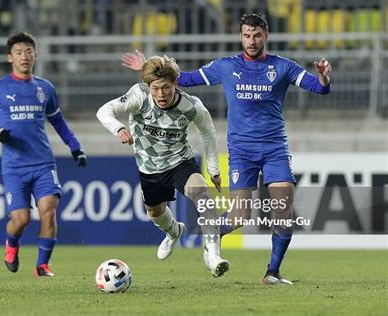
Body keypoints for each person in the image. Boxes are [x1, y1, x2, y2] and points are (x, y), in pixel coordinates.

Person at [122, 12, 332, 285]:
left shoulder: (283, 67)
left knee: (283, 208)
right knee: (239, 215)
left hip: (274, 148)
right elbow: (182, 80)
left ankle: (272, 272)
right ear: (241, 36)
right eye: (247, 35)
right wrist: (148, 67)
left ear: (266, 36)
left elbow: (319, 88)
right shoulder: (226, 66)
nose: (252, 41)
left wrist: (325, 78)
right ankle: (211, 239)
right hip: (242, 152)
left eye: (257, 35)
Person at [97, 55, 229, 278]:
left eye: (166, 88)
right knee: (155, 212)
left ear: (175, 84)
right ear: (148, 86)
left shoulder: (192, 106)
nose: (161, 94)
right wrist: (118, 129)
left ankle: (213, 254)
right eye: (155, 88)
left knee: (202, 195)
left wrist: (214, 169)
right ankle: (173, 232)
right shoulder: (139, 95)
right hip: (149, 168)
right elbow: (104, 111)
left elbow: (208, 132)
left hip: (181, 162)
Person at [0, 31, 87, 278]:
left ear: (35, 55)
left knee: (49, 208)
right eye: (18, 52)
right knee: (21, 219)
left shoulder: (45, 88)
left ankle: (42, 265)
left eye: (28, 51)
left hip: (43, 163)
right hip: (14, 166)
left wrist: (75, 146)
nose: (24, 56)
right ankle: (11, 244)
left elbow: (58, 121)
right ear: (10, 57)